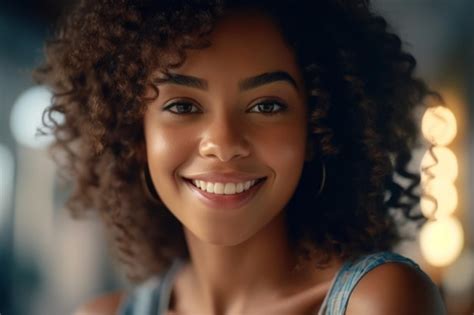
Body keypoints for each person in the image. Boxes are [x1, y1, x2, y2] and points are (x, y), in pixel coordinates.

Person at [36, 0, 447, 314]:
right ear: (133, 133)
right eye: (182, 106)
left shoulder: (378, 301)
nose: (223, 141)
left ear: (320, 127)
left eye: (267, 105)